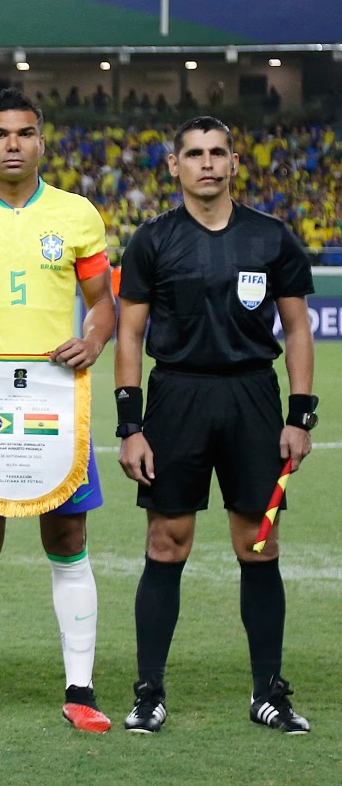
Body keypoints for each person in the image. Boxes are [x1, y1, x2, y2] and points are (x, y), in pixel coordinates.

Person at [115, 116, 316, 734]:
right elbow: (129, 331)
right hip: (176, 397)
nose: (207, 163)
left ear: (234, 163)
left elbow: (299, 327)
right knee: (165, 543)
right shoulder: (151, 240)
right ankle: (149, 691)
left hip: (253, 397)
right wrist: (131, 424)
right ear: (174, 166)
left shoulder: (272, 237)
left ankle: (269, 694)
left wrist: (300, 414)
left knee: (259, 544)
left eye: (218, 153)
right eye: (194, 153)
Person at [0, 88, 117, 733]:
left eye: (25, 133)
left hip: (56, 403)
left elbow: (102, 304)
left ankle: (82, 689)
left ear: (43, 141)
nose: (13, 144)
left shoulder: (78, 215)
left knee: (67, 540)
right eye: (1, 134)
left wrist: (93, 338)